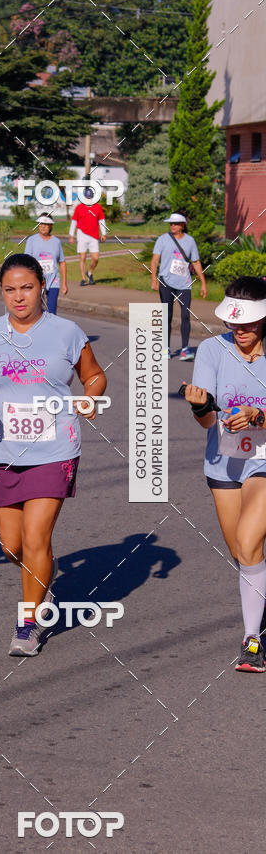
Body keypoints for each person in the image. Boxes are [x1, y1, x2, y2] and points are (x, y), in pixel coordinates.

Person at [0, 252, 107, 656]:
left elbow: (94, 375)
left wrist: (91, 397)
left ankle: (28, 622)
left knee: (37, 537)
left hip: (54, 446)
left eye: (27, 287)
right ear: (1, 292)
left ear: (42, 287)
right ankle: (42, 590)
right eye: (10, 290)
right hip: (1, 448)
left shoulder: (67, 332)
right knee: (11, 546)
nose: (19, 297)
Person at [183, 276, 266, 672]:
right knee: (241, 552)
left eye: (248, 322)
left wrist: (258, 416)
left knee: (250, 541)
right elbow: (207, 422)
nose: (240, 330)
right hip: (223, 462)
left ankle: (252, 641)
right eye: (235, 322)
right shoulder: (213, 350)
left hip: (264, 461)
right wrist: (201, 408)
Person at [151, 212, 207, 361]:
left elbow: (195, 262)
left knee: (185, 315)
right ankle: (165, 348)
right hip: (166, 282)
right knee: (167, 315)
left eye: (175, 224)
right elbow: (155, 260)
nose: (172, 226)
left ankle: (184, 349)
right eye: (171, 224)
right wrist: (153, 279)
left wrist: (203, 283)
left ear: (183, 225)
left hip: (184, 284)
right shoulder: (162, 239)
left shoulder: (190, 241)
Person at [24, 213, 67, 314]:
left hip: (53, 280)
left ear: (51, 226)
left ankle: (50, 328)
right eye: (41, 224)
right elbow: (26, 262)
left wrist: (64, 283)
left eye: (45, 224)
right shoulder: (31, 240)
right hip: (36, 280)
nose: (42, 226)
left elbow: (62, 262)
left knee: (52, 311)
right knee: (35, 310)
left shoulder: (56, 242)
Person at [69, 187, 106, 286]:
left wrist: (104, 233)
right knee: (82, 257)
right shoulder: (79, 207)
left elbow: (101, 221)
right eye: (87, 197)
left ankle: (89, 272)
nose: (89, 199)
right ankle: (83, 278)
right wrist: (71, 235)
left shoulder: (98, 207)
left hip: (94, 236)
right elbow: (74, 222)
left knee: (96, 258)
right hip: (82, 234)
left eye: (90, 197)